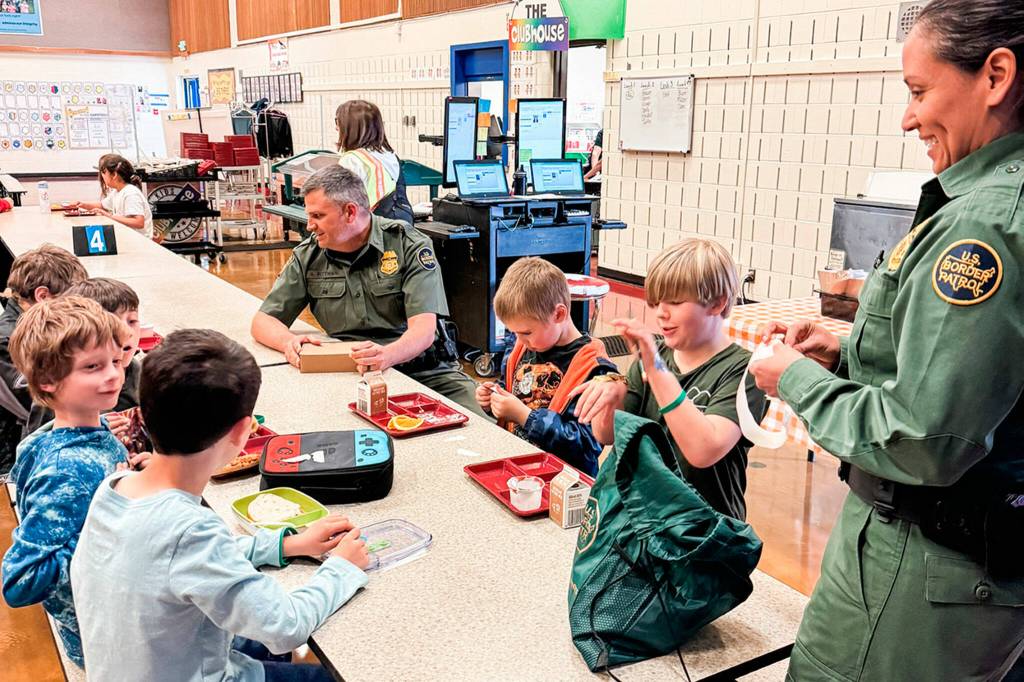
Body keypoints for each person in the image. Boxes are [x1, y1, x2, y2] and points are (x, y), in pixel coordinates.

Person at [748, 2, 1024, 678]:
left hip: (919, 568)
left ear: (995, 75)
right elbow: (989, 382)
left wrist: (797, 381)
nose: (907, 117)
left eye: (920, 91)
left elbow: (926, 440)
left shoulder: (981, 229)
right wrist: (846, 355)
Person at [70, 329, 369, 681]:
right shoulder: (192, 530)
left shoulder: (115, 488)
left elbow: (179, 559)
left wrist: (285, 544)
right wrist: (343, 569)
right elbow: (285, 625)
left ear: (145, 415)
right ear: (244, 432)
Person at [251, 165, 483, 416]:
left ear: (350, 212)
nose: (309, 226)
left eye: (318, 216)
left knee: (486, 425)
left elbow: (423, 332)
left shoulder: (408, 246)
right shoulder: (309, 256)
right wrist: (288, 343)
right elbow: (263, 321)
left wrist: (386, 356)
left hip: (424, 371)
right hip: (350, 375)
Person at [571, 239, 766, 521]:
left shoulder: (743, 371)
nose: (661, 312)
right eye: (657, 302)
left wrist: (656, 369)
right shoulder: (655, 356)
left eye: (675, 302)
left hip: (705, 531)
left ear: (717, 303)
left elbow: (703, 450)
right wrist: (610, 399)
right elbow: (607, 435)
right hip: (649, 520)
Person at [1, 296, 128, 668]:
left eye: (116, 361)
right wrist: (112, 534)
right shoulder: (66, 469)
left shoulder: (49, 437)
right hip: (110, 642)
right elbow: (22, 579)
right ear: (48, 382)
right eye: (92, 367)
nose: (113, 375)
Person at [476, 257, 616, 476]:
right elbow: (513, 389)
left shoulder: (595, 370)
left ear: (559, 314)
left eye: (526, 332)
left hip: (565, 483)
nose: (520, 340)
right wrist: (492, 399)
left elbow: (587, 446)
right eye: (514, 333)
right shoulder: (524, 347)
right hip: (519, 471)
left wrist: (525, 416)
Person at [22, 278, 144, 454]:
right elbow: (33, 450)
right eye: (93, 366)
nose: (128, 332)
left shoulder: (138, 371)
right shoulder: (59, 392)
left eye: (132, 321)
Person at [0, 244, 87, 474]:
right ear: (43, 296)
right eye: (71, 300)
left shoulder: (38, 331)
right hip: (11, 466)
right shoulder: (7, 343)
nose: (77, 309)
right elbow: (43, 401)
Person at [334, 100, 413, 225]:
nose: (336, 128)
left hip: (371, 229)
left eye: (338, 122)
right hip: (401, 224)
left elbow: (342, 203)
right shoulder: (389, 155)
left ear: (350, 127)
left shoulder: (351, 160)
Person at [72, 154, 154, 239]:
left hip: (140, 241)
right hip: (128, 237)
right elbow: (102, 205)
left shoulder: (130, 193)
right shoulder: (117, 191)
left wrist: (109, 216)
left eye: (104, 173)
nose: (102, 176)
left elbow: (138, 222)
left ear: (114, 175)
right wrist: (82, 205)